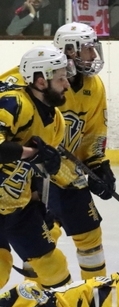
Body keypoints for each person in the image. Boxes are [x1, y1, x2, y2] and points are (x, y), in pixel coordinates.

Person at [1, 22, 116, 282]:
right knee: (44, 235)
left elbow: (95, 130)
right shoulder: (23, 83)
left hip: (61, 169)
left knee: (88, 231)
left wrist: (98, 164)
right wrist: (26, 152)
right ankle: (35, 297)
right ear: (70, 51)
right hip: (28, 174)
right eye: (88, 50)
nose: (94, 56)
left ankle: (94, 293)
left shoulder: (93, 87)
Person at [0, 45, 75, 290]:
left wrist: (39, 204)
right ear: (41, 82)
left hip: (17, 207)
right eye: (61, 78)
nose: (67, 85)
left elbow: (34, 172)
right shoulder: (13, 102)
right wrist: (31, 153)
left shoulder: (56, 121)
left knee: (55, 271)